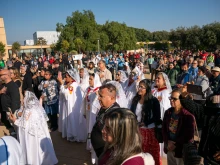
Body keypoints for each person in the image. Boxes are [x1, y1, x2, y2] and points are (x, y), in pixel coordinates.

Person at [9, 90, 58, 165]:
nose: (24, 98)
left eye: (24, 96)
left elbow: (23, 124)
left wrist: (14, 120)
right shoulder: (38, 109)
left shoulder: (28, 110)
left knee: (33, 149)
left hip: (32, 137)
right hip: (40, 135)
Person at [130, 79, 161, 165]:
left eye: (142, 87)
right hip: (137, 131)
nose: (139, 88)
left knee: (150, 156)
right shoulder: (135, 99)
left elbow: (157, 117)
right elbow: (132, 113)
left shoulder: (154, 101)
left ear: (147, 89)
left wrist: (145, 123)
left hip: (149, 132)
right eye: (139, 86)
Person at [162, 89, 195, 165]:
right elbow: (164, 129)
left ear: (181, 100)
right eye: (171, 98)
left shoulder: (187, 115)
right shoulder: (168, 112)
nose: (171, 100)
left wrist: (175, 144)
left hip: (181, 150)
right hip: (169, 148)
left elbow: (189, 135)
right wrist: (168, 142)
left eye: (174, 99)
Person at [91, 83, 120, 158]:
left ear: (112, 98)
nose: (98, 98)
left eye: (101, 96)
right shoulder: (104, 107)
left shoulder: (115, 114)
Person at [58, 69, 86, 142]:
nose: (65, 78)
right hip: (73, 105)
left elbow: (66, 94)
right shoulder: (72, 84)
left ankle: (73, 134)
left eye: (67, 76)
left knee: (73, 119)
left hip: (72, 106)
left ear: (71, 77)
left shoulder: (73, 85)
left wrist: (61, 84)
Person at [81, 73, 102, 164]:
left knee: (94, 130)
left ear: (96, 80)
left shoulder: (99, 90)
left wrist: (98, 96)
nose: (89, 81)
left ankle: (95, 146)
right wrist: (85, 112)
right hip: (89, 113)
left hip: (95, 115)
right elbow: (85, 101)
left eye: (91, 79)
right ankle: (90, 145)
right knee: (89, 129)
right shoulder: (88, 89)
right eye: (89, 79)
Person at [0, 69, 20, 136]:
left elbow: (15, 100)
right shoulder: (3, 85)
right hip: (5, 110)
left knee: (15, 126)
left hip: (11, 110)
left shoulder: (13, 86)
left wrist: (13, 112)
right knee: (9, 125)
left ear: (6, 75)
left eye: (1, 75)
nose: (0, 77)